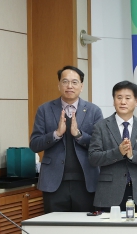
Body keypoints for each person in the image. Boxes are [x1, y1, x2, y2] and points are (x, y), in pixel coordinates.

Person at [29, 66, 103, 213]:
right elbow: (34, 144)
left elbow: (100, 145)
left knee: (85, 224)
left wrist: (79, 135)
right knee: (55, 225)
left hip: (86, 181)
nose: (70, 86)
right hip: (53, 182)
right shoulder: (44, 109)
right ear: (59, 85)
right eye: (65, 81)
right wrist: (56, 134)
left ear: (81, 86)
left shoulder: (94, 111)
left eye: (74, 82)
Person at [89, 81, 137, 213]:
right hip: (109, 192)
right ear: (113, 101)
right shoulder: (101, 127)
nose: (123, 102)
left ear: (136, 101)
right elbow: (93, 158)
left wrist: (132, 155)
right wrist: (118, 152)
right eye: (119, 97)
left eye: (128, 98)